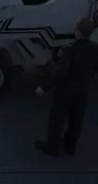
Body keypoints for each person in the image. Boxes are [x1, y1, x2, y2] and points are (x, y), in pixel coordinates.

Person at [35, 16, 98, 156]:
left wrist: (43, 88)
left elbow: (60, 74)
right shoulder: (96, 49)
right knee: (76, 119)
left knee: (57, 119)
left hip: (66, 90)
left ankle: (52, 147)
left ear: (78, 32)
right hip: (83, 89)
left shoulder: (70, 50)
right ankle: (70, 146)